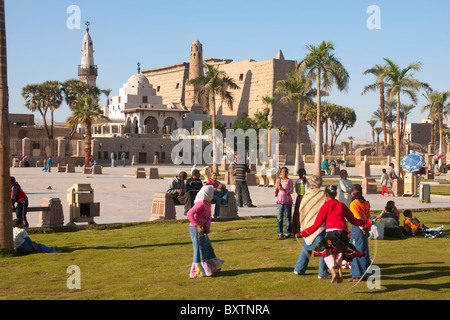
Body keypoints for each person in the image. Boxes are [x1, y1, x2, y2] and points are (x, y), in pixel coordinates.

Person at [298, 185, 370, 283]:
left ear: (326, 195)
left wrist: (304, 233)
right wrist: (365, 223)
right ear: (335, 194)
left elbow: (317, 225)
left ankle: (333, 271)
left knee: (326, 252)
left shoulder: (325, 207)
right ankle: (340, 272)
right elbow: (353, 220)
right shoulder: (342, 205)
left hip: (331, 233)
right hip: (342, 233)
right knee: (339, 252)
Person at [293, 175, 330, 279]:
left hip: (306, 225)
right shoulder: (323, 194)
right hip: (317, 226)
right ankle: (322, 272)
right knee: (323, 249)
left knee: (307, 247)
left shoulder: (307, 194)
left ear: (310, 184)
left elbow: (302, 209)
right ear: (320, 183)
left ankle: (299, 269)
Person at [187, 186, 224, 278]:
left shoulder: (208, 203)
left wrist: (207, 227)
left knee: (208, 247)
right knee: (199, 248)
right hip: (195, 229)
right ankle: (198, 271)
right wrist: (197, 225)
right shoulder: (201, 203)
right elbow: (189, 213)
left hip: (203, 228)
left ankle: (212, 266)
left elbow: (208, 217)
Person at [348, 184, 372, 282]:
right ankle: (365, 273)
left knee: (356, 250)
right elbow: (369, 217)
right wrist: (367, 228)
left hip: (358, 228)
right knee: (364, 250)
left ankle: (357, 274)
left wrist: (362, 227)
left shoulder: (354, 204)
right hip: (365, 227)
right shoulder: (365, 203)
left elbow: (357, 218)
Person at [274, 167, 293, 239]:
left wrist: (284, 189)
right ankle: (280, 232)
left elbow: (291, 191)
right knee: (279, 218)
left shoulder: (289, 181)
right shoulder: (278, 180)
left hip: (287, 202)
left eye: (285, 172)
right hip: (279, 201)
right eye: (282, 172)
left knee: (287, 218)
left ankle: (288, 232)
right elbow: (275, 190)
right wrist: (277, 188)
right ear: (280, 173)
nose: (284, 173)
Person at [291, 168, 309, 236]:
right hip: (304, 198)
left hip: (299, 198)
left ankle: (295, 230)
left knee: (297, 214)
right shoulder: (306, 182)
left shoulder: (297, 181)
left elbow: (296, 190)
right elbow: (307, 191)